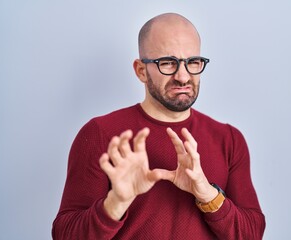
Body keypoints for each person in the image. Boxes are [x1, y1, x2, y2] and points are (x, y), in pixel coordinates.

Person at [52, 12, 265, 240]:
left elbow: (251, 234)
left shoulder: (229, 138)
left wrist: (207, 194)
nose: (183, 77)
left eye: (193, 62)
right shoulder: (100, 134)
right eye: (167, 63)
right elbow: (65, 235)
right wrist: (116, 203)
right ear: (141, 70)